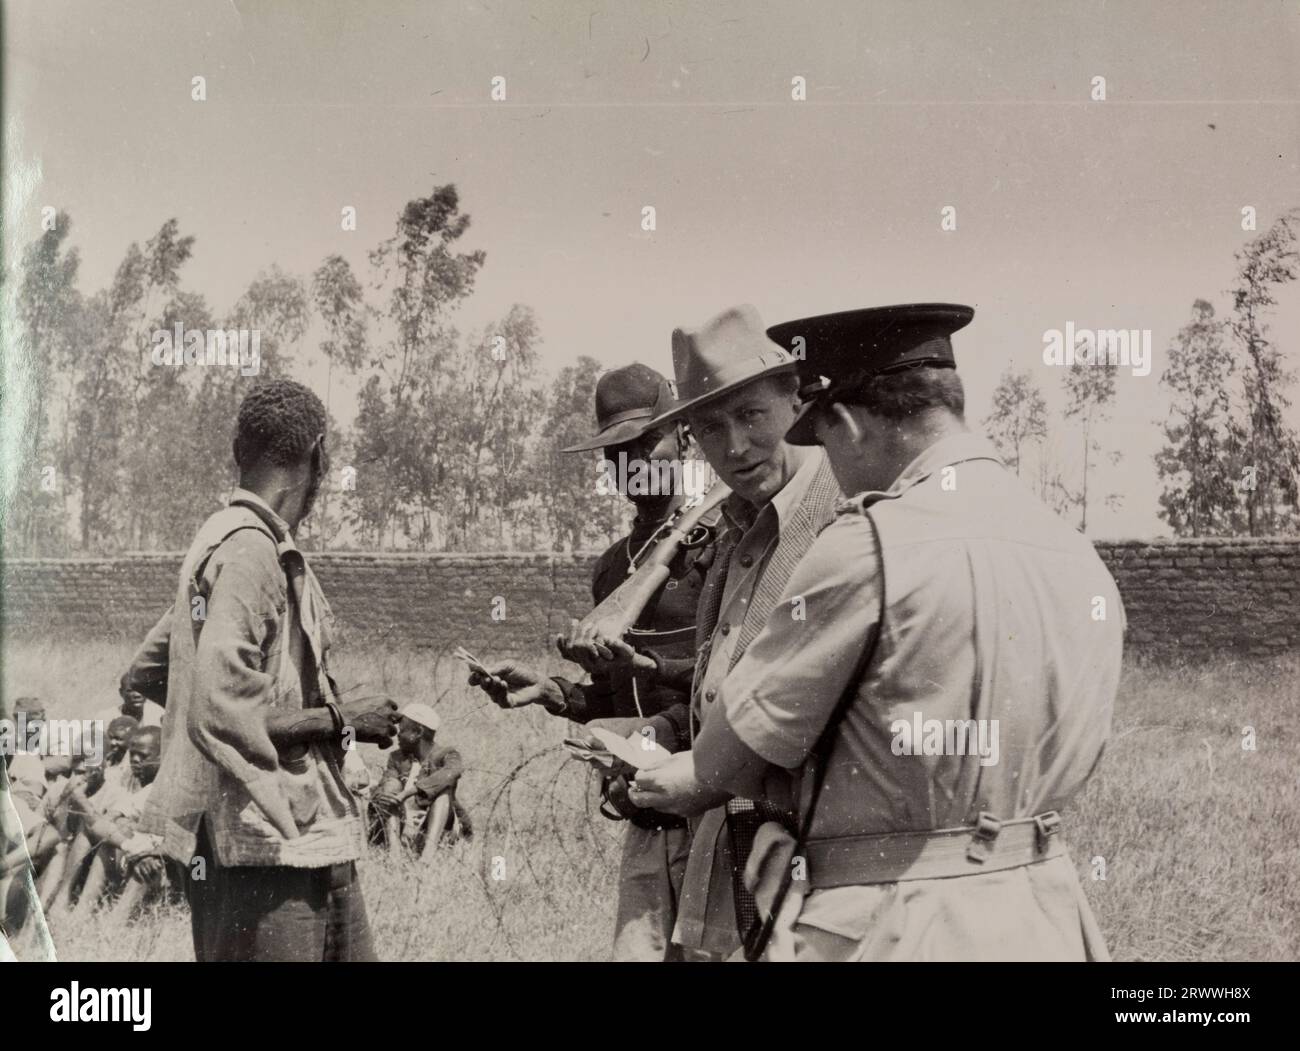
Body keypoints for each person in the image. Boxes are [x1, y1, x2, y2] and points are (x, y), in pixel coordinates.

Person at [633, 303, 1124, 961]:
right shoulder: (1075, 553)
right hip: (1047, 914)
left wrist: (684, 773)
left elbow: (726, 759)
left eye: (824, 442)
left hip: (895, 923)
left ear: (843, 423)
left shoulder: (868, 544)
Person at [124, 378, 400, 962]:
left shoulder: (220, 544)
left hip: (307, 839)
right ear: (318, 454)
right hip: (265, 853)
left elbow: (151, 670)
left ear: (236, 450)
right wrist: (341, 718)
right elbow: (217, 707)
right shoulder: (251, 554)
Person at [468, 363, 719, 961]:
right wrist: (554, 694)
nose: (628, 464)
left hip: (711, 812)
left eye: (643, 444)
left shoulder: (722, 543)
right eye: (614, 453)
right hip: (645, 815)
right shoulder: (613, 568)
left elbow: (728, 687)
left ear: (683, 433)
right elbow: (611, 699)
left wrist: (658, 696)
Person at [369, 704, 471, 857]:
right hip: (402, 822)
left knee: (443, 794)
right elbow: (386, 782)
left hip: (436, 826)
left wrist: (409, 792)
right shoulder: (396, 757)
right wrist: (382, 796)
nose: (397, 735)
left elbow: (451, 773)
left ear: (417, 733)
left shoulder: (447, 754)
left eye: (402, 730)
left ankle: (427, 856)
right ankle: (394, 851)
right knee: (391, 785)